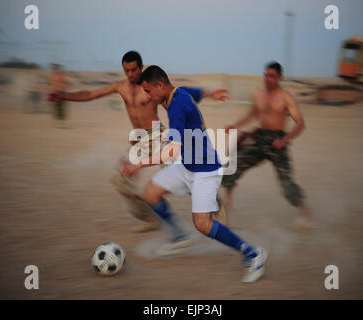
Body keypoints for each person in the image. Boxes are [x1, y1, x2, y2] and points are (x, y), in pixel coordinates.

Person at [48, 51, 229, 232]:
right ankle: (149, 218)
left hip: (158, 136)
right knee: (121, 181)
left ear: (141, 68)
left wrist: (209, 93)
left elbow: (179, 94)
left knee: (180, 180)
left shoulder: (151, 89)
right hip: (140, 140)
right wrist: (64, 96)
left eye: (134, 70)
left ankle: (213, 203)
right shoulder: (121, 87)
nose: (130, 74)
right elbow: (91, 94)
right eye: (126, 70)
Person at [121, 65, 267, 283]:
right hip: (187, 165)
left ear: (160, 85)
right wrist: (211, 92)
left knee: (202, 224)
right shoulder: (178, 92)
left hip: (205, 170)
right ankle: (179, 236)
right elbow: (196, 92)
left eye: (149, 91)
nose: (148, 96)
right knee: (150, 193)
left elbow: (171, 151)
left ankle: (253, 254)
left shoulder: (176, 106)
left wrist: (137, 165)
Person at [222, 61, 314, 229]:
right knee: (232, 165)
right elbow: (251, 115)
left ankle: (306, 213)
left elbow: (300, 123)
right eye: (265, 75)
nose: (267, 78)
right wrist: (235, 125)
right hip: (260, 138)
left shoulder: (286, 97)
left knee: (286, 183)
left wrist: (285, 140)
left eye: (271, 76)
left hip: (278, 141)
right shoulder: (258, 94)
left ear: (280, 77)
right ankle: (228, 203)